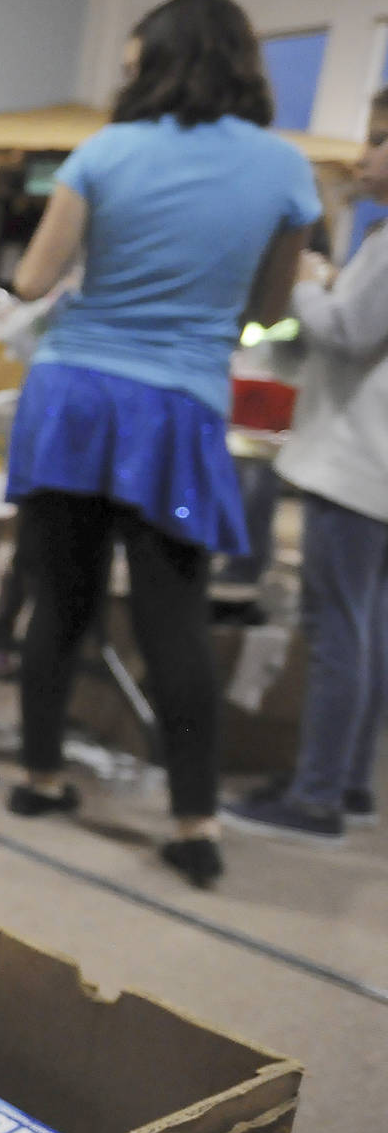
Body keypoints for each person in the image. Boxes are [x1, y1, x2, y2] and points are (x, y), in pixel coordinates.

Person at [0, 0, 318, 890]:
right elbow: (268, 310)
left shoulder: (105, 151)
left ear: (161, 60)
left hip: (75, 393)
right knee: (175, 619)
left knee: (59, 601)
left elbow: (33, 278)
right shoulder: (284, 170)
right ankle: (194, 822)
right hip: (178, 406)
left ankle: (39, 777)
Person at [221, 87, 388, 844]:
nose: (365, 155)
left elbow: (350, 331)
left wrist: (309, 284)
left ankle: (316, 797)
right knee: (365, 624)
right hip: (367, 464)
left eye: (379, 140)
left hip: (356, 465)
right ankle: (345, 782)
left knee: (337, 627)